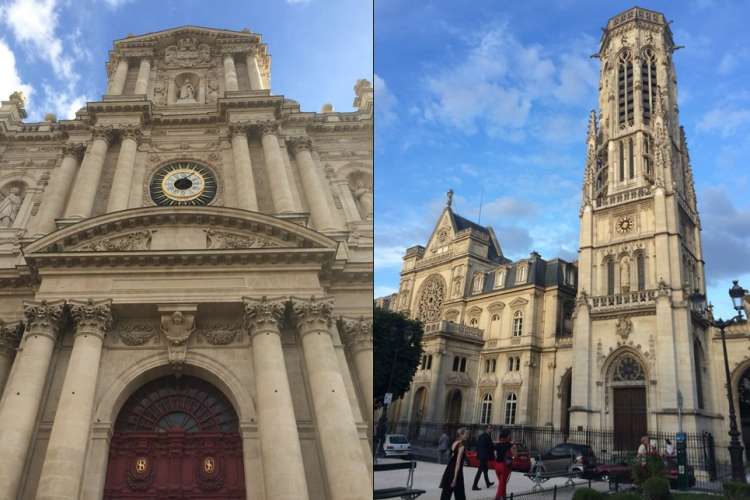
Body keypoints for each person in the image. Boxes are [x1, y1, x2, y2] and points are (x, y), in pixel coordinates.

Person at [440, 428, 468, 500]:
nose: (467, 436)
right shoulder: (461, 446)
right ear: (461, 435)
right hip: (456, 472)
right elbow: (457, 462)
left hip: (449, 470)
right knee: (460, 495)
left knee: (446, 494)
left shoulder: (454, 443)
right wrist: (455, 478)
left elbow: (452, 457)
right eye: (465, 434)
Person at [493, 429, 514, 500]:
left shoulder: (498, 444)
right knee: (501, 485)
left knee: (502, 483)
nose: (511, 436)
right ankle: (497, 498)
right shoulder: (510, 445)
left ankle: (504, 497)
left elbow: (495, 454)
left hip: (497, 466)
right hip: (504, 466)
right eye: (510, 435)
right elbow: (515, 454)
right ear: (508, 436)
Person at [472, 425, 495, 490]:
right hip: (484, 456)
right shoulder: (486, 436)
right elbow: (490, 446)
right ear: (486, 429)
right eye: (490, 428)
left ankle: (487, 483)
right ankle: (474, 485)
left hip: (482, 455)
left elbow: (478, 446)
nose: (491, 429)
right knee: (480, 471)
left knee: (485, 470)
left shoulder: (482, 436)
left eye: (491, 428)